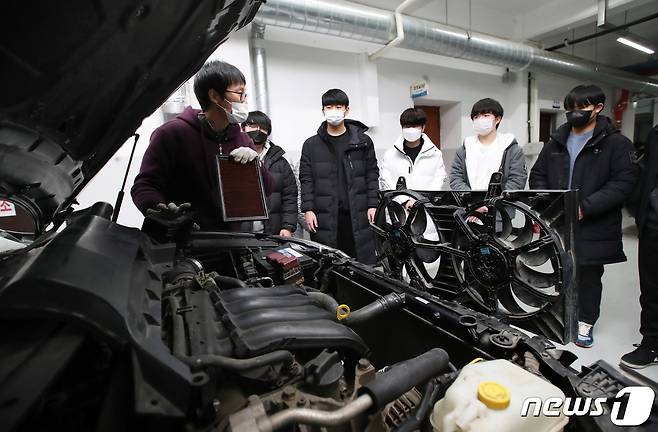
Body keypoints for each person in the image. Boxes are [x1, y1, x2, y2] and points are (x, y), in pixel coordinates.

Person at [529, 84, 638, 348]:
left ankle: (585, 322)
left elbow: (623, 183)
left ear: (598, 108)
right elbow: (538, 175)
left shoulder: (616, 144)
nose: (574, 113)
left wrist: (584, 207)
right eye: (570, 109)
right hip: (558, 220)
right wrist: (548, 204)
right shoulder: (556, 141)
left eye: (581, 108)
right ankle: (560, 316)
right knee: (560, 271)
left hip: (593, 221)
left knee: (588, 275)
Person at [131, 60, 271, 230]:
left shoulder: (243, 140)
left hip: (231, 242)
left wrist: (256, 165)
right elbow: (145, 185)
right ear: (214, 96)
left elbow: (266, 189)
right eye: (239, 93)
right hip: (183, 242)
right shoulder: (172, 134)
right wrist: (157, 207)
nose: (244, 101)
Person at [299, 89, 379, 264]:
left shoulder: (363, 142)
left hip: (358, 213)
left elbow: (371, 174)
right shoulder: (311, 145)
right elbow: (306, 179)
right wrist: (308, 209)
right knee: (329, 265)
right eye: (329, 107)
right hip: (325, 215)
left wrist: (373, 204)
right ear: (323, 111)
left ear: (347, 110)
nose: (333, 110)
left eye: (338, 106)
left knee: (361, 264)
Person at [621, 124, 658, 368]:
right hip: (654, 224)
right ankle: (651, 343)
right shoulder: (655, 134)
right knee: (652, 289)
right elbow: (647, 175)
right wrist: (641, 211)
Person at [450, 98, 527, 192]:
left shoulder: (512, 149)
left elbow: (517, 180)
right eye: (476, 117)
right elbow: (456, 178)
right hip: (470, 204)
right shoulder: (464, 149)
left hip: (501, 204)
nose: (480, 120)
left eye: (486, 115)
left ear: (497, 119)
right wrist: (472, 201)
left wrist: (494, 200)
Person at [242, 111, 298, 237]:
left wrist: (287, 226)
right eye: (252, 126)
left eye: (263, 128)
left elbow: (290, 196)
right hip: (241, 234)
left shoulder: (280, 163)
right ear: (243, 128)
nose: (258, 130)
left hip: (273, 232)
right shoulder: (233, 158)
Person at [380, 108, 447, 205]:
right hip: (398, 209)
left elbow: (439, 180)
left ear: (423, 128)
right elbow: (386, 181)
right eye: (407, 126)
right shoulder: (390, 154)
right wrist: (404, 201)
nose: (411, 130)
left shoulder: (435, 154)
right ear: (402, 128)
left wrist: (420, 201)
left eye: (415, 126)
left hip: (426, 207)